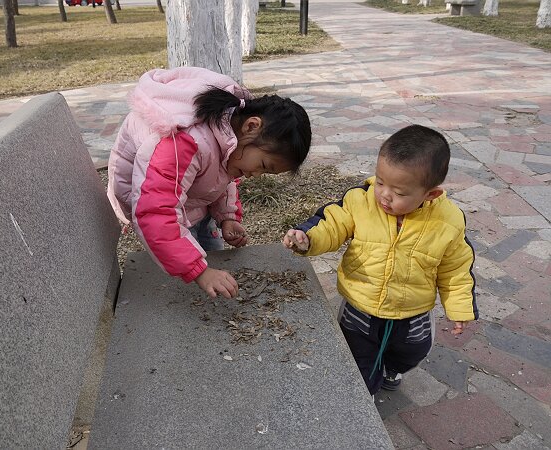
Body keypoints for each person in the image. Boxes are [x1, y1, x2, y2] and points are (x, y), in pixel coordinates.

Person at [282, 124, 477, 395]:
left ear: (430, 193)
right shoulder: (359, 201)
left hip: (412, 311)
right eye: (381, 182)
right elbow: (331, 224)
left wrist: (459, 309)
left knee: (411, 352)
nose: (384, 195)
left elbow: (456, 270)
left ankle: (393, 368)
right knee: (358, 359)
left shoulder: (448, 222)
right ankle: (366, 396)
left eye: (398, 192)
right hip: (361, 304)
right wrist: (307, 238)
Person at [107, 66, 311, 299]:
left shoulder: (231, 136)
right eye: (264, 166)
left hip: (188, 198)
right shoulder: (184, 141)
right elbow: (156, 211)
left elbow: (220, 174)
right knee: (187, 277)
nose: (255, 175)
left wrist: (227, 217)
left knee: (207, 261)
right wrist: (199, 272)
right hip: (153, 199)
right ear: (251, 126)